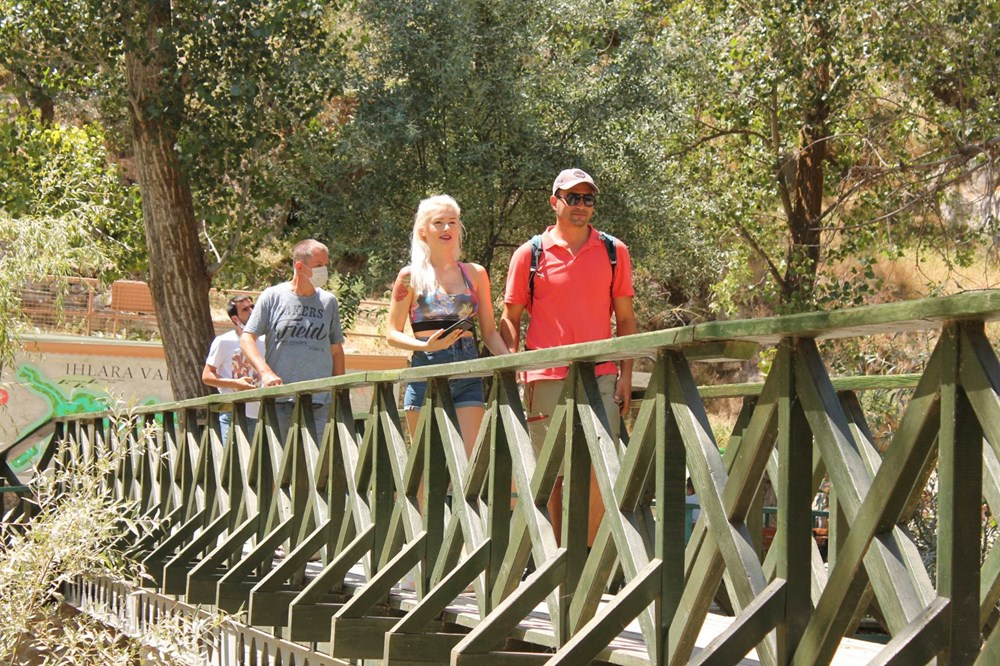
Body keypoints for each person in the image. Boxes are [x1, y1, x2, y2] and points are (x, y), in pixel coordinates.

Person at [500, 168, 637, 545]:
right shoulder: (529, 253)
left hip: (602, 375)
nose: (580, 206)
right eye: (572, 197)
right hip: (544, 377)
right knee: (552, 472)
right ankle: (559, 559)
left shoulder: (614, 251)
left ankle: (590, 563)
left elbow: (625, 318)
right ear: (554, 202)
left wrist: (626, 373)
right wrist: (511, 368)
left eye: (587, 199)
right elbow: (509, 320)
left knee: (599, 467)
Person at [386, 194, 509, 459]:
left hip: (468, 371)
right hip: (426, 369)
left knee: (470, 463)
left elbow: (488, 332)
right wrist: (425, 345)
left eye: (452, 222)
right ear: (423, 230)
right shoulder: (409, 277)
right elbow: (391, 334)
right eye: (438, 222)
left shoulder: (475, 273)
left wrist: (512, 364)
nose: (446, 229)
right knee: (425, 467)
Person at [241, 239, 346, 443]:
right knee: (280, 468)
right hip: (280, 399)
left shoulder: (328, 301)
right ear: (299, 266)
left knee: (317, 468)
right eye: (318, 266)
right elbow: (247, 338)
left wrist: (339, 392)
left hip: (320, 401)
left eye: (326, 265)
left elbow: (336, 350)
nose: (324, 270)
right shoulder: (272, 296)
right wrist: (265, 373)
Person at [202, 294, 265, 445]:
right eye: (245, 309)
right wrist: (236, 384)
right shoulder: (224, 341)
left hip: (262, 413)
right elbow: (207, 376)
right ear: (235, 319)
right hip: (233, 413)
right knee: (232, 463)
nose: (251, 311)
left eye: (252, 307)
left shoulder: (265, 340)